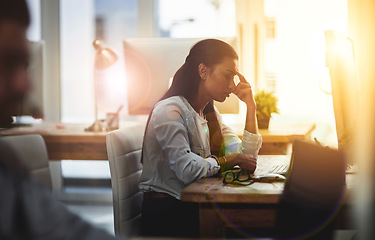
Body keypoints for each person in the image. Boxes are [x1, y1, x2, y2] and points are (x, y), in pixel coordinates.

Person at [0, 1, 118, 239]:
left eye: (24, 65)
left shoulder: (7, 169)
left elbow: (68, 230)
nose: (26, 85)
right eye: (7, 62)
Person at [139, 38, 262, 237]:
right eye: (228, 76)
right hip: (168, 215)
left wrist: (251, 107)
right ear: (203, 71)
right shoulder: (170, 111)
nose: (233, 86)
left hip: (192, 206)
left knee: (250, 225)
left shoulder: (209, 113)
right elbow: (186, 170)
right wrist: (230, 161)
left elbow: (246, 156)